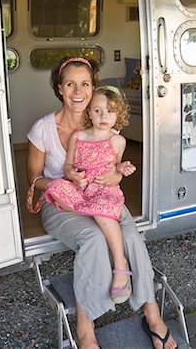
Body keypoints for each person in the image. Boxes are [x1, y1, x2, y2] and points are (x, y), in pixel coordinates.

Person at [27, 56, 177, 349]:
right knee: (94, 238)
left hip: (100, 197)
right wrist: (68, 181)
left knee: (130, 234)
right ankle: (86, 329)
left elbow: (114, 171)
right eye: (70, 84)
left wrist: (112, 177)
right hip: (61, 202)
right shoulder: (43, 129)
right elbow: (33, 182)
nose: (78, 91)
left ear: (93, 87)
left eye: (85, 83)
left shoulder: (102, 121)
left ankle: (152, 316)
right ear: (59, 88)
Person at [45, 86, 137, 304]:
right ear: (89, 113)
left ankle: (120, 264)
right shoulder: (78, 136)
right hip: (81, 187)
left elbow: (115, 169)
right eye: (97, 111)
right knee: (55, 188)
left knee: (102, 207)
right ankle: (88, 209)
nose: (104, 116)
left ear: (119, 114)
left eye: (110, 111)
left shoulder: (118, 141)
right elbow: (68, 166)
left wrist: (121, 169)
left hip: (103, 189)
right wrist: (73, 175)